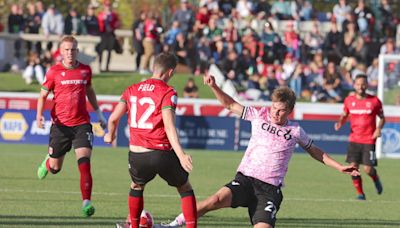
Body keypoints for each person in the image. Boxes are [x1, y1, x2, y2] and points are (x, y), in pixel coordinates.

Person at [165, 74, 360, 228]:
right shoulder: (259, 115)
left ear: (289, 110)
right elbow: (230, 104)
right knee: (214, 200)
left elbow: (316, 151)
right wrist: (214, 86)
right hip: (246, 179)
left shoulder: (295, 131)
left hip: (269, 190)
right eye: (274, 107)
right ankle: (175, 223)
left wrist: (339, 167)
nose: (275, 112)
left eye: (281, 110)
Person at [104, 53, 197, 228]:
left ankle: (133, 225)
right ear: (170, 72)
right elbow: (169, 127)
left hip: (137, 154)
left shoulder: (132, 89)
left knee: (136, 186)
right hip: (161, 153)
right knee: (185, 188)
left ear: (154, 68)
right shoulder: (168, 92)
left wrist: (111, 134)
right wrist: (181, 155)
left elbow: (113, 119)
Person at [36, 36, 107, 217]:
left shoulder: (85, 70)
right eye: (67, 49)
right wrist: (39, 116)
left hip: (82, 124)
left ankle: (86, 203)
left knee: (84, 164)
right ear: (61, 51)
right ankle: (48, 161)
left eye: (73, 49)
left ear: (77, 51)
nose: (70, 53)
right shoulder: (53, 72)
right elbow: (42, 96)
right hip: (60, 126)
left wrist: (99, 115)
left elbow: (89, 91)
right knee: (55, 168)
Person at [334, 74, 385, 200]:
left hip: (369, 139)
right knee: (353, 167)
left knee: (368, 169)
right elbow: (345, 114)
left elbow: (382, 118)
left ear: (367, 85)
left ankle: (375, 178)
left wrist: (378, 128)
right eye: (358, 84)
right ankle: (360, 194)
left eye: (363, 84)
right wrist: (340, 122)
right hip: (354, 139)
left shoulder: (374, 101)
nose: (361, 87)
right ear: (354, 85)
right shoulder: (349, 100)